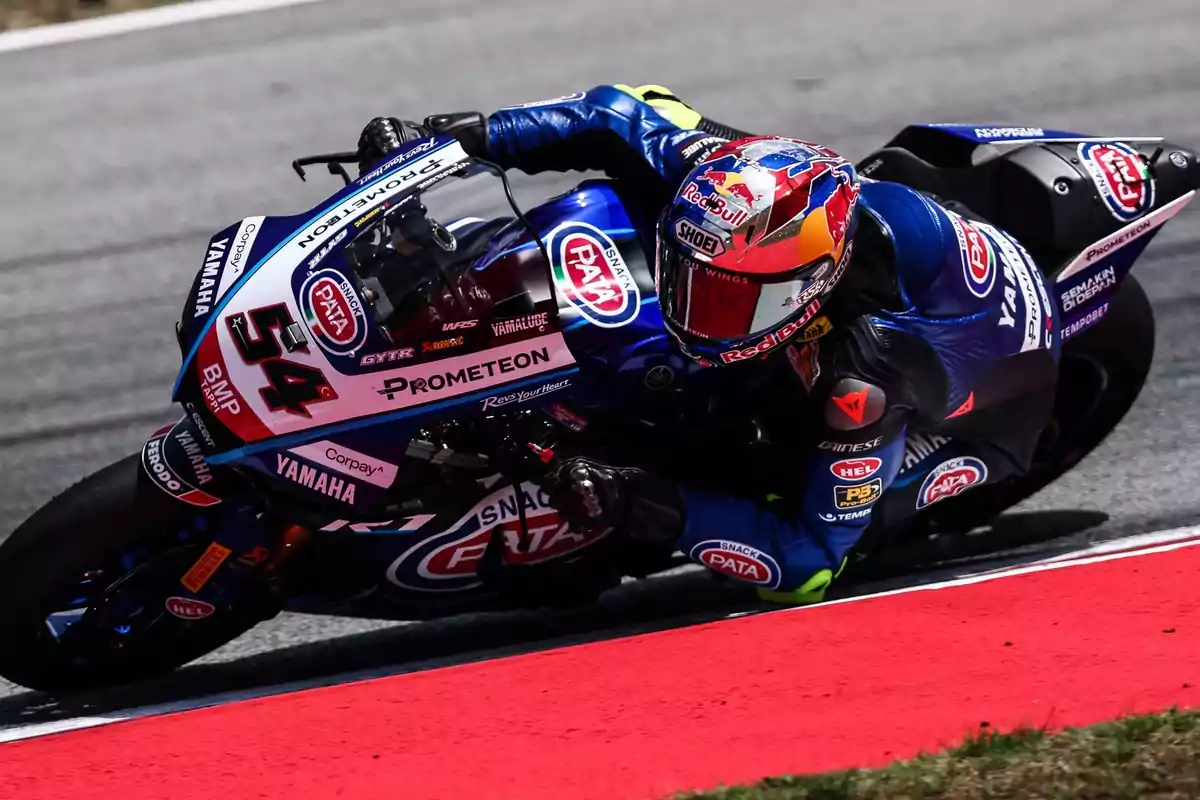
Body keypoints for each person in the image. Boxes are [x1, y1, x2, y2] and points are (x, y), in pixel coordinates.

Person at [355, 84, 1060, 604]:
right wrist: (454, 142)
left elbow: (806, 565)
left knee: (803, 498)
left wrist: (646, 502)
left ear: (806, 289)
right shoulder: (729, 179)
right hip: (910, 236)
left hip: (983, 396)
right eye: (692, 275)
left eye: (730, 297)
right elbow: (615, 109)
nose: (697, 306)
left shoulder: (861, 382)